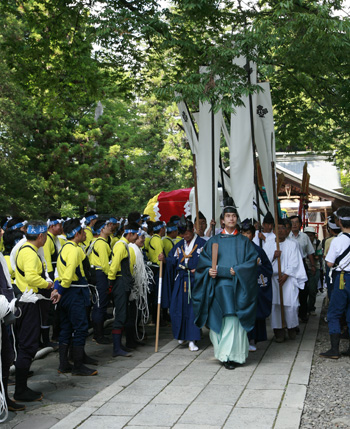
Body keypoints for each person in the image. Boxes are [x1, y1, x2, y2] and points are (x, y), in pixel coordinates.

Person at [192, 202, 258, 370]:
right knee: (220, 321)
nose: (231, 219)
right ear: (222, 220)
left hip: (237, 287)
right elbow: (202, 264)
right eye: (228, 216)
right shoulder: (213, 241)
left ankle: (232, 356)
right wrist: (209, 271)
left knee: (234, 320)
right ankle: (224, 354)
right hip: (218, 287)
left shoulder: (244, 241)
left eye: (234, 216)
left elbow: (252, 263)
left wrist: (237, 270)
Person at [51, 218, 98, 376]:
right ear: (77, 233)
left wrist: (58, 290)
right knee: (80, 327)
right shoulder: (75, 250)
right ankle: (78, 365)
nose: (85, 233)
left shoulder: (64, 248)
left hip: (66, 293)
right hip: (73, 293)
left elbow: (59, 274)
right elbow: (70, 274)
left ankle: (63, 364)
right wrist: (62, 291)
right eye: (83, 231)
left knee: (66, 327)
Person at [14, 220, 53, 401]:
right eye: (45, 236)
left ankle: (21, 388)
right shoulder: (29, 253)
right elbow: (31, 277)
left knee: (27, 344)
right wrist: (47, 284)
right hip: (28, 303)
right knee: (28, 345)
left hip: (28, 301)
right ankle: (20, 390)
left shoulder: (27, 250)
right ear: (40, 236)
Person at [162, 218, 206, 351]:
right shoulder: (179, 245)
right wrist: (165, 260)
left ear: (192, 230)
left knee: (193, 311)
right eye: (183, 234)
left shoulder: (202, 244)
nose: (185, 236)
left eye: (187, 233)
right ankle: (180, 335)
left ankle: (192, 339)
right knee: (177, 308)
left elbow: (208, 262)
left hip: (195, 281)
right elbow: (172, 260)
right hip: (181, 281)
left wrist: (198, 269)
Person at [264, 219, 307, 342]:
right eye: (279, 228)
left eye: (284, 228)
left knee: (291, 305)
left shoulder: (292, 244)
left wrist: (287, 274)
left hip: (288, 279)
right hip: (274, 279)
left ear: (287, 230)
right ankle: (278, 331)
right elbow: (264, 262)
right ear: (274, 230)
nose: (281, 231)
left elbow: (295, 261)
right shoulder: (269, 244)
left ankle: (291, 327)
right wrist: (274, 256)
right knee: (275, 305)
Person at [320, 206, 350, 359]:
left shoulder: (338, 241)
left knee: (334, 313)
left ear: (339, 222)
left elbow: (330, 263)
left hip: (343, 279)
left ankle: (334, 350)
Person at [108, 222, 138, 357]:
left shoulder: (125, 245)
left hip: (124, 282)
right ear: (130, 234)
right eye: (136, 234)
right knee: (120, 315)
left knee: (124, 314)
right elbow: (114, 266)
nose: (137, 237)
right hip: (119, 282)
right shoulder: (120, 245)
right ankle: (116, 348)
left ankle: (120, 345)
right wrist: (111, 282)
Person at [241, 222, 273, 351]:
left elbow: (268, 269)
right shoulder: (237, 249)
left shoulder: (259, 251)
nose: (246, 236)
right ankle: (242, 340)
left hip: (254, 286)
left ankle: (252, 339)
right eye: (243, 233)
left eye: (248, 233)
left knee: (254, 314)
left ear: (253, 235)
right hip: (241, 287)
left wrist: (259, 267)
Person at [88, 218, 114, 345]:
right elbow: (105, 265)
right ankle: (98, 335)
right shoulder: (102, 244)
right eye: (108, 225)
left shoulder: (95, 241)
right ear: (102, 229)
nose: (111, 227)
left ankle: (99, 332)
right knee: (100, 304)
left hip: (95, 274)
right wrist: (112, 277)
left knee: (98, 303)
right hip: (100, 275)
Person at [289, 215, 316, 322]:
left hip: (302, 263)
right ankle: (292, 314)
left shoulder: (304, 236)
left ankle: (303, 313)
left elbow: (310, 252)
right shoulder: (287, 236)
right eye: (292, 222)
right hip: (290, 264)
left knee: (304, 289)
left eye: (296, 222)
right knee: (291, 289)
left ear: (300, 224)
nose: (294, 224)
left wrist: (312, 266)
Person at [304, 226, 323, 316]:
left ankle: (311, 307)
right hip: (304, 267)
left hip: (315, 267)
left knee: (312, 289)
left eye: (310, 236)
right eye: (307, 235)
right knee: (304, 290)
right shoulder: (302, 242)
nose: (309, 238)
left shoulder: (318, 243)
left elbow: (317, 256)